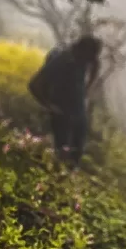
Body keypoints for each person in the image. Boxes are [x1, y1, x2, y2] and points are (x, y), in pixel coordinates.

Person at [28, 34, 103, 166]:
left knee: (77, 151)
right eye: (89, 56)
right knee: (62, 152)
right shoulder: (61, 61)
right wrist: (49, 106)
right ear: (81, 50)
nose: (90, 61)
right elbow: (34, 84)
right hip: (61, 112)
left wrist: (87, 89)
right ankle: (58, 177)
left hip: (78, 111)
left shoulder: (84, 60)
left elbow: (96, 64)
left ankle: (69, 176)